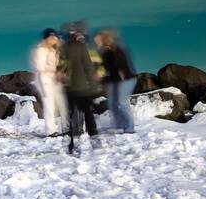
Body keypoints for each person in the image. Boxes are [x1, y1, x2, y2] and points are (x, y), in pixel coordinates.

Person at [61, 22, 102, 154]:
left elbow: (61, 68)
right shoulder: (82, 47)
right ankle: (95, 143)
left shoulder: (63, 48)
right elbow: (88, 67)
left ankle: (72, 146)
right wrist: (94, 85)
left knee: (72, 117)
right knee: (88, 115)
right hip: (83, 87)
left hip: (69, 88)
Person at [96, 29, 137, 133]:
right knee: (112, 104)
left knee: (122, 102)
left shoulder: (115, 49)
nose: (96, 41)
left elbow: (119, 65)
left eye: (98, 39)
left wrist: (120, 75)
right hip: (115, 80)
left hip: (125, 80)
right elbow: (105, 67)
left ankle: (129, 127)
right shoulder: (104, 51)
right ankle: (120, 125)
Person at [30, 29, 67, 137]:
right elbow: (39, 67)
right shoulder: (41, 49)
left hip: (53, 79)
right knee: (49, 104)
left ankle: (63, 128)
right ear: (46, 38)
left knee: (59, 104)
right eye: (51, 38)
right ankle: (50, 131)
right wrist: (55, 69)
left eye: (55, 37)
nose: (54, 40)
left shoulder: (53, 50)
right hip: (44, 80)